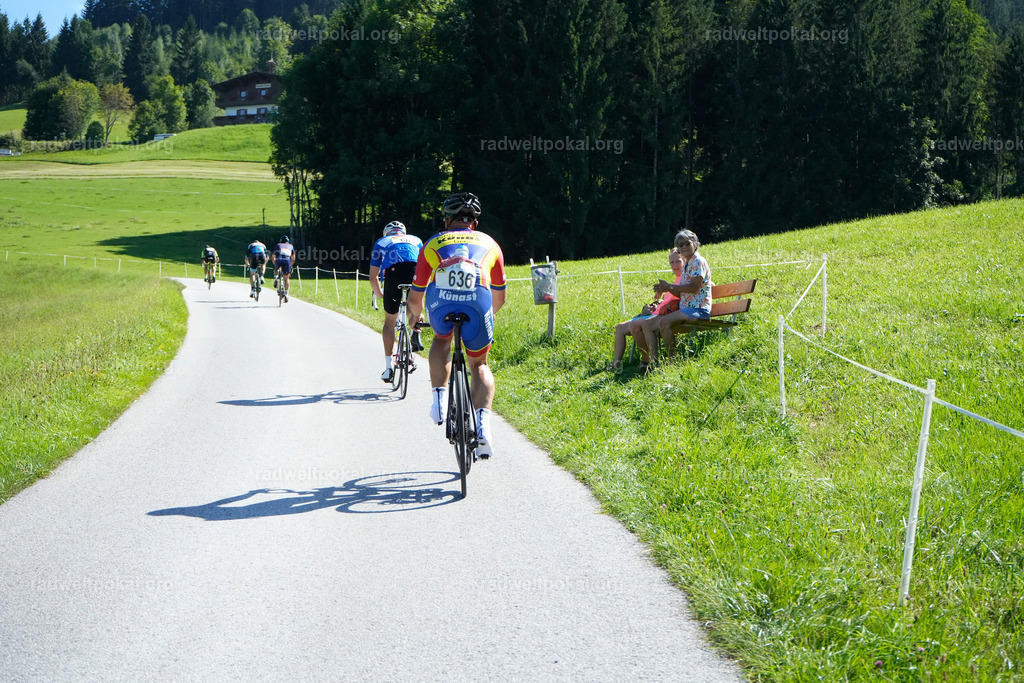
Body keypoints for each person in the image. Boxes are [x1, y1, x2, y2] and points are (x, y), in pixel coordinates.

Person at [407, 192, 506, 459]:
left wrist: (414, 318)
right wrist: (488, 315)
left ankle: (439, 400)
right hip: (480, 300)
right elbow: (500, 295)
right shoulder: (490, 243)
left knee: (441, 339)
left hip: (442, 301)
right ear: (474, 223)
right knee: (480, 364)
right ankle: (483, 426)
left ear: (448, 220)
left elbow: (416, 293)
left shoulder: (434, 242)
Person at [607, 248, 684, 373]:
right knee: (620, 327)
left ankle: (646, 360)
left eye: (678, 261)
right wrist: (657, 302)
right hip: (656, 313)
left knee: (635, 325)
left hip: (664, 315)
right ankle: (616, 364)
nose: (675, 265)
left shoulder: (684, 279)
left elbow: (689, 292)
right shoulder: (675, 280)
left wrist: (667, 290)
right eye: (672, 262)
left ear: (684, 261)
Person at [644, 229, 712, 363]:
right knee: (652, 324)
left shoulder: (698, 261)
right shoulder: (687, 264)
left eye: (687, 243)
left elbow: (693, 288)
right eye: (680, 245)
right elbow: (682, 293)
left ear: (695, 244)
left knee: (664, 322)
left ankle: (672, 360)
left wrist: (669, 286)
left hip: (698, 309)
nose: (684, 247)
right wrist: (665, 288)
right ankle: (656, 361)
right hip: (687, 309)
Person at [369, 220, 425, 382]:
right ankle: (415, 328)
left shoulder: (382, 242)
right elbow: (424, 266)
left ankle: (388, 366)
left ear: (387, 233)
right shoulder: (416, 239)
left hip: (394, 274)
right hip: (415, 272)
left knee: (390, 321)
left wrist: (380, 294)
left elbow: (374, 277)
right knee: (413, 307)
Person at [271, 236, 297, 303]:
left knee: (276, 269)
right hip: (287, 261)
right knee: (286, 278)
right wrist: (290, 266)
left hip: (279, 260)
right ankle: (286, 295)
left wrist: (274, 263)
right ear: (288, 241)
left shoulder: (278, 245)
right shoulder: (291, 246)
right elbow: (293, 259)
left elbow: (273, 256)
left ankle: (276, 279)